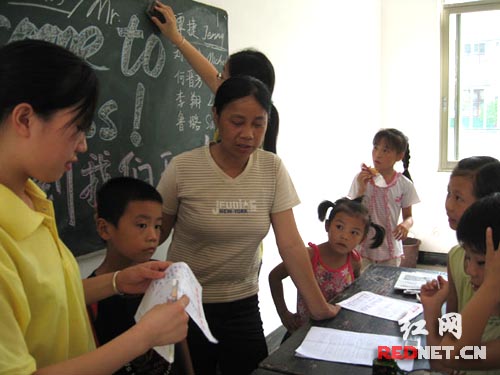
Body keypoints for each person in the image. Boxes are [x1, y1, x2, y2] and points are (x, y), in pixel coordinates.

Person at [0, 39, 189, 374]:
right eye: (77, 128)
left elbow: (49, 300)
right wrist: (144, 336)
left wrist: (117, 282)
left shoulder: (32, 199)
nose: (84, 145)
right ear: (26, 119)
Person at [156, 75, 339, 375]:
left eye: (258, 123)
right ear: (216, 115)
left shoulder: (271, 169)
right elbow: (155, 232)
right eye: (237, 121)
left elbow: (291, 244)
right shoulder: (183, 168)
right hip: (185, 304)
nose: (248, 134)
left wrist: (318, 306)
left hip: (242, 302)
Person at [88, 176, 193, 375]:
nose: (153, 236)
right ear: (104, 228)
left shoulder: (163, 276)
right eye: (142, 225)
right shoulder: (89, 297)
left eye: (157, 226)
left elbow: (179, 342)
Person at [150, 0, 279, 154]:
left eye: (222, 77)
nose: (217, 80)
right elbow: (209, 73)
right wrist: (176, 37)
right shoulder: (252, 108)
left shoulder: (252, 151)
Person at [269, 197, 385, 339]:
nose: (344, 236)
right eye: (339, 227)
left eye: (354, 232)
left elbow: (355, 289)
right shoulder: (309, 256)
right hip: (303, 331)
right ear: (327, 226)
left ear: (362, 238)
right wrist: (283, 313)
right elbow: (274, 277)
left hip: (337, 331)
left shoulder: (354, 260)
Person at [421, 193, 500, 373]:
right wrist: (432, 312)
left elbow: (452, 355)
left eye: (482, 263)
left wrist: (492, 286)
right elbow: (440, 363)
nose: (469, 271)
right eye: (467, 258)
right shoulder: (478, 299)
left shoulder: (485, 295)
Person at [347, 128, 419, 269]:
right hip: (362, 247)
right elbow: (351, 212)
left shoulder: (404, 184)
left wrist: (405, 225)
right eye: (375, 148)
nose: (378, 154)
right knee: (361, 287)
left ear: (399, 156)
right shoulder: (361, 178)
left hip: (390, 249)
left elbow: (409, 217)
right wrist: (361, 189)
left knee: (386, 287)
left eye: (385, 150)